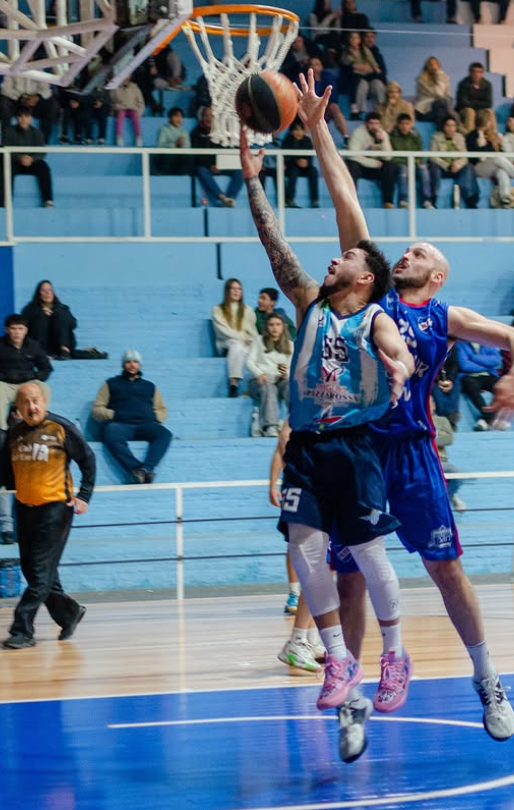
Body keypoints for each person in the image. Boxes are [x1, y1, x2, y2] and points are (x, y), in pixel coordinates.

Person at [295, 68, 514, 758]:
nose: (408, 250)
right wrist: (318, 129)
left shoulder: (446, 315)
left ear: (437, 274)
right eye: (406, 250)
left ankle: (489, 682)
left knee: (445, 568)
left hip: (413, 453)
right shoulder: (373, 294)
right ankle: (353, 697)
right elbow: (344, 197)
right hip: (356, 450)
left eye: (421, 251)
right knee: (351, 573)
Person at [240, 119, 415, 749]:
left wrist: (400, 365)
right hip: (309, 447)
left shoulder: (375, 316)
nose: (332, 257)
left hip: (355, 446)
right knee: (307, 550)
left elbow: (396, 351)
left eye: (345, 257)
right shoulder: (309, 302)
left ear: (365, 276)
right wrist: (254, 178)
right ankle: (338, 657)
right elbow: (272, 243)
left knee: (368, 555)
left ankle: (396, 653)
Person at [0, 383, 95, 649]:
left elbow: (87, 459)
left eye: (36, 401)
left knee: (40, 573)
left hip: (55, 509)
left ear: (44, 401)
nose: (31, 407)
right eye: (25, 403)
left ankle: (22, 629)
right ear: (17, 408)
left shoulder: (60, 428)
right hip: (24, 509)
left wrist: (84, 495)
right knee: (36, 572)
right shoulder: (13, 435)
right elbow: (5, 473)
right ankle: (69, 613)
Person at [270, 420, 325, 667]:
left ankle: (310, 638)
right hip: (305, 488)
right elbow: (283, 438)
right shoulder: (307, 407)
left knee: (322, 568)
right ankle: (299, 640)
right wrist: (274, 482)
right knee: (315, 567)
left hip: (317, 488)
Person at [92, 350, 172, 483]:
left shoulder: (150, 386)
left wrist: (152, 416)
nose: (132, 365)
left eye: (135, 362)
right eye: (128, 361)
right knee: (110, 432)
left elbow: (162, 410)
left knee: (164, 434)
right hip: (121, 425)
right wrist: (115, 414)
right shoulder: (110, 384)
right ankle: (136, 469)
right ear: (123, 364)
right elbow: (96, 410)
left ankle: (146, 468)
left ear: (140, 365)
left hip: (146, 425)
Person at [269, 420, 301, 614]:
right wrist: (272, 484)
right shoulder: (296, 414)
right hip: (295, 485)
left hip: (323, 484)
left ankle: (326, 591)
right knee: (294, 540)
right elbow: (281, 447)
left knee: (329, 539)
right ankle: (294, 593)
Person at [0, 314, 52, 433]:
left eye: (20, 329)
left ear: (26, 330)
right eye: (13, 329)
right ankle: (2, 430)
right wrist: (5, 376)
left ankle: (41, 423)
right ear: (7, 330)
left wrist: (33, 376)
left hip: (27, 383)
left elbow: (46, 369)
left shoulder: (34, 346)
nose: (17, 332)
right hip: (5, 384)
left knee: (44, 388)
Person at [247, 314, 293, 438]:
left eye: (277, 325)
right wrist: (259, 374)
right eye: (271, 325)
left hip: (279, 380)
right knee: (269, 387)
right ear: (267, 327)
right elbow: (249, 362)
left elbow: (290, 367)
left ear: (283, 327)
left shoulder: (289, 344)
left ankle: (297, 423)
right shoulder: (258, 340)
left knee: (292, 386)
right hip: (260, 380)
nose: (274, 328)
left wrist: (286, 373)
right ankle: (270, 426)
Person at [0, 107, 54, 208]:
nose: (23, 119)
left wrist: (31, 159)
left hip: (31, 163)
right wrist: (20, 157)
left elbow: (42, 151)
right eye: (20, 117)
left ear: (30, 118)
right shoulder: (8, 131)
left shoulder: (37, 132)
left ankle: (48, 200)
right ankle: (4, 202)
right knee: (4, 167)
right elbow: (4, 148)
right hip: (14, 162)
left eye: (26, 116)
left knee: (43, 166)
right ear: (16, 118)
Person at [212, 278, 257, 397]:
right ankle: (233, 383)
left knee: (252, 351)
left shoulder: (247, 310)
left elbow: (252, 331)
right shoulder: (218, 310)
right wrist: (242, 338)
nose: (237, 291)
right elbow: (222, 330)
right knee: (236, 345)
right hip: (226, 342)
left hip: (244, 343)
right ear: (228, 291)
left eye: (239, 289)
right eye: (233, 289)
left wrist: (253, 341)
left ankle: (252, 388)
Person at [191, 107, 243, 208]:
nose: (208, 118)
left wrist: (220, 165)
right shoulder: (196, 133)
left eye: (211, 115)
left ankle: (230, 198)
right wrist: (210, 165)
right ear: (202, 117)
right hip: (206, 167)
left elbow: (225, 149)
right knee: (200, 170)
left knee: (240, 172)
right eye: (206, 115)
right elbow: (197, 154)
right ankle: (222, 197)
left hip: (221, 165)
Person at [346, 112, 398, 209]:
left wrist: (382, 142)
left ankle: (388, 202)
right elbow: (352, 155)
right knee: (352, 165)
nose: (374, 126)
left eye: (376, 124)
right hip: (361, 166)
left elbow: (388, 157)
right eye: (371, 123)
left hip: (376, 167)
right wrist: (372, 163)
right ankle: (350, 202)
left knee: (391, 166)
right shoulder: (358, 133)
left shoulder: (382, 134)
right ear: (366, 124)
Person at [466, 109, 514, 209]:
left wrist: (498, 143)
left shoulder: (491, 135)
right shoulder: (471, 136)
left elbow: (496, 152)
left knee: (501, 171)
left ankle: (505, 199)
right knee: (497, 158)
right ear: (486, 122)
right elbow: (476, 156)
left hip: (491, 167)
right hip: (478, 168)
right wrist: (483, 144)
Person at [429, 117, 479, 209]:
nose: (450, 128)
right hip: (443, 167)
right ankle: (433, 199)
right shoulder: (436, 137)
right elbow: (433, 156)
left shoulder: (460, 137)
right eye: (448, 125)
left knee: (469, 167)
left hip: (456, 168)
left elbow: (464, 156)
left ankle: (470, 199)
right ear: (443, 127)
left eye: (453, 126)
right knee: (433, 167)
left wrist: (457, 165)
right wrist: (447, 165)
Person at [21, 280, 77, 360]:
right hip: (39, 345)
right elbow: (23, 324)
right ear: (38, 293)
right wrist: (40, 314)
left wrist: (55, 314)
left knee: (61, 316)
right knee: (40, 318)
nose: (47, 293)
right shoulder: (29, 309)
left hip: (58, 345)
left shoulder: (62, 308)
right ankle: (40, 351)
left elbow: (73, 324)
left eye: (50, 290)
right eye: (44, 290)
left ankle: (64, 349)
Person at [390, 113, 435, 209]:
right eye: (402, 124)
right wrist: (407, 162)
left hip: (414, 163)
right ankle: (403, 200)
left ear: (411, 125)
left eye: (407, 124)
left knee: (423, 169)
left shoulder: (416, 136)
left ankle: (427, 200)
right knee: (403, 170)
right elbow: (393, 155)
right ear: (398, 125)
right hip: (400, 164)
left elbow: (419, 153)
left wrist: (413, 162)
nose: (404, 126)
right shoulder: (392, 136)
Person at [457, 340, 504, 431]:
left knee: (501, 387)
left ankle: (484, 419)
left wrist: (474, 357)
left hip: (488, 375)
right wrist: (487, 365)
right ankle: (488, 417)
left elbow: (496, 360)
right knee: (472, 387)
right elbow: (465, 365)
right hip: (468, 376)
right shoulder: (460, 345)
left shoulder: (489, 343)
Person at [430, 397, 466, 512]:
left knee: (456, 474)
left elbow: (449, 438)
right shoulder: (415, 421)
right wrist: (438, 435)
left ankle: (448, 498)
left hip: (441, 460)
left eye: (429, 403)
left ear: (434, 406)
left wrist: (427, 440)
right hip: (423, 460)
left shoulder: (442, 420)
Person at [339, 32, 385, 120]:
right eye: (352, 38)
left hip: (369, 73)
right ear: (348, 40)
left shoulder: (364, 49)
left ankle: (381, 109)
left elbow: (371, 60)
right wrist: (362, 67)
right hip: (356, 74)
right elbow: (351, 64)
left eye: (356, 38)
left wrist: (375, 67)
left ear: (360, 40)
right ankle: (358, 111)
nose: (354, 40)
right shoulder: (346, 51)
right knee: (361, 85)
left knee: (378, 83)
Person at [0, 76, 60, 143]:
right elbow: (5, 89)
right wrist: (22, 98)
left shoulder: (38, 68)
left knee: (52, 104)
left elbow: (46, 90)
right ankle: (6, 141)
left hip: (35, 101)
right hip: (16, 100)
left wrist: (38, 96)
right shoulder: (12, 68)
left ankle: (43, 142)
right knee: (4, 103)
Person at [309, 57, 349, 144]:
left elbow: (332, 95)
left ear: (321, 67)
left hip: (325, 107)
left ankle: (346, 137)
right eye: (311, 65)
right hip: (311, 109)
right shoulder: (304, 78)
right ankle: (308, 140)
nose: (314, 67)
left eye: (317, 64)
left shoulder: (328, 76)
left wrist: (322, 105)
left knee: (334, 107)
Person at [282, 118, 320, 209]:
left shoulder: (307, 140)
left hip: (305, 167)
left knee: (313, 171)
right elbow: (286, 158)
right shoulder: (287, 140)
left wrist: (306, 162)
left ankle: (315, 200)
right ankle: (289, 200)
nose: (299, 132)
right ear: (291, 132)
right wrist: (296, 161)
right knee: (293, 171)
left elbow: (310, 156)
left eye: (301, 130)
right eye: (296, 130)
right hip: (291, 167)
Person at [415, 56, 459, 131]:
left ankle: (444, 134)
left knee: (443, 107)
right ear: (426, 67)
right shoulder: (422, 80)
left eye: (435, 64)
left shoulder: (444, 78)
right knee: (440, 104)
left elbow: (447, 96)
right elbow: (439, 93)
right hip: (425, 112)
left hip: (441, 109)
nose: (433, 66)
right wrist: (439, 73)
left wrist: (440, 76)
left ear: (439, 66)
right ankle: (443, 133)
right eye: (430, 64)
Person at [153, 107, 193, 176]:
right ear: (170, 118)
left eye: (181, 116)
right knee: (169, 156)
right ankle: (164, 176)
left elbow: (188, 147)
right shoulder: (164, 130)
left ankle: (183, 177)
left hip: (180, 159)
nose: (179, 119)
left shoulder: (184, 132)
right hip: (166, 158)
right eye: (176, 116)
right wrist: (175, 144)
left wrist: (182, 145)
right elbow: (160, 146)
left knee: (189, 157)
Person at [456, 63, 493, 134]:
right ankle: (471, 138)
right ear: (470, 73)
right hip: (464, 111)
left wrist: (473, 102)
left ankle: (492, 139)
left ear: (482, 74)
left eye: (479, 72)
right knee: (470, 112)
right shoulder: (463, 84)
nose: (476, 74)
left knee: (489, 112)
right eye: (474, 72)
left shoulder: (487, 85)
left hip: (479, 110)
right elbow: (462, 103)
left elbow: (488, 104)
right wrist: (478, 104)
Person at [431, 344, 461, 429]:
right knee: (434, 389)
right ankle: (446, 418)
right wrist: (438, 380)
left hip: (448, 377)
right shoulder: (426, 343)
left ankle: (451, 417)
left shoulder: (452, 345)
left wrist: (450, 379)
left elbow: (454, 363)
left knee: (456, 383)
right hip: (431, 377)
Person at [110, 76, 145, 147]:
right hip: (120, 108)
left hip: (133, 108)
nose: (125, 78)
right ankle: (118, 137)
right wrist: (115, 108)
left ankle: (138, 137)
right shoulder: (115, 88)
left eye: (127, 76)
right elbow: (112, 101)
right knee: (120, 115)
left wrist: (140, 112)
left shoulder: (135, 88)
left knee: (135, 116)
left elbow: (141, 102)